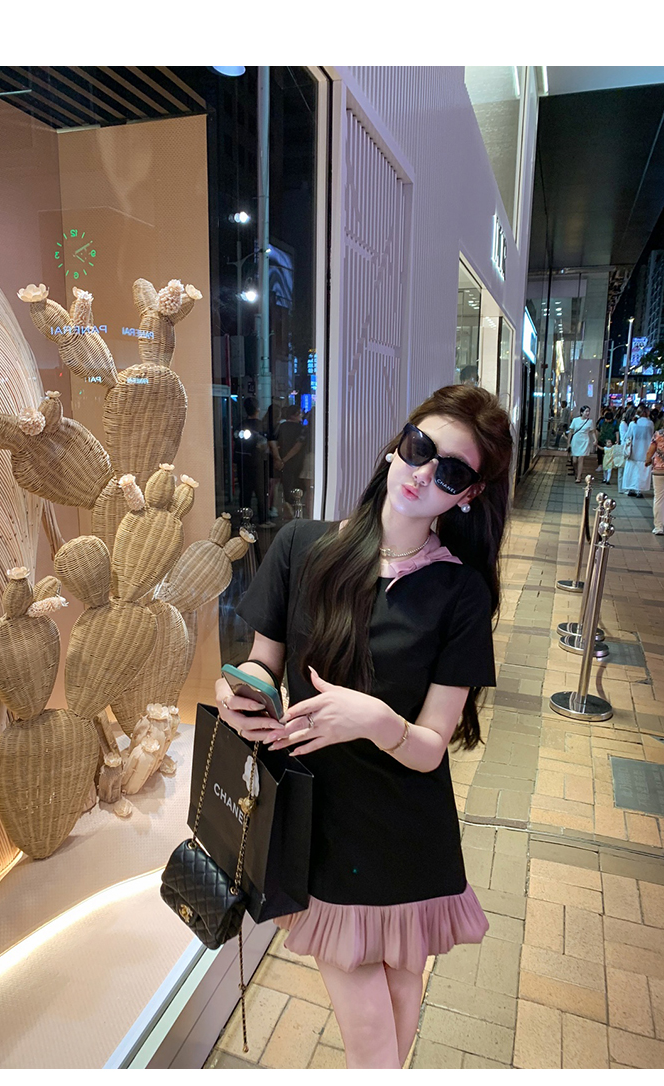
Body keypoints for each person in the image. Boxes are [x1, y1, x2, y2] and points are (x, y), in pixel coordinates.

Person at [216, 384, 513, 1069]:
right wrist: (241, 691)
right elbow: (262, 662)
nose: (423, 473)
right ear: (395, 446)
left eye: (451, 472)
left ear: (468, 496)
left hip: (409, 832)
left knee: (397, 1023)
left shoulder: (461, 593)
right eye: (419, 447)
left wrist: (376, 720)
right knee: (375, 1043)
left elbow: (431, 747)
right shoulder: (302, 547)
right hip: (323, 828)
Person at [234, 396, 269, 525]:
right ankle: (263, 519)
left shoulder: (240, 425)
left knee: (245, 492)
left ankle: (245, 519)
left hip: (243, 461)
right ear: (258, 409)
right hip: (258, 462)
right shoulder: (262, 425)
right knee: (261, 492)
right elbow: (264, 445)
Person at [276, 404, 308, 514]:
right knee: (298, 484)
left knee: (287, 484)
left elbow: (276, 443)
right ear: (296, 414)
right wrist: (285, 459)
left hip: (282, 460)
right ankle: (295, 507)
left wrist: (280, 459)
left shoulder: (281, 427)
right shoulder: (301, 429)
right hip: (297, 460)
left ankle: (288, 506)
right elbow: (298, 446)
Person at [622, 404, 655, 498]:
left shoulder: (633, 424)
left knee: (632, 471)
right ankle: (639, 490)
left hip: (633, 451)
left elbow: (627, 436)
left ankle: (631, 488)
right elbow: (652, 437)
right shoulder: (650, 423)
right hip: (645, 451)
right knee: (642, 472)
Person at [567, 405, 596, 483]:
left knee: (581, 458)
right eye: (586, 411)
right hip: (576, 441)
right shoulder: (575, 420)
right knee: (574, 461)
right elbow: (571, 431)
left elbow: (592, 431)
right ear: (581, 412)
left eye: (588, 411)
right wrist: (568, 443)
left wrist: (595, 440)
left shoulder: (590, 421)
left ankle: (579, 477)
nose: (588, 413)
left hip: (584, 441)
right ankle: (576, 471)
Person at [597, 409, 619, 484]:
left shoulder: (615, 423)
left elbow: (617, 432)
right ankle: (600, 465)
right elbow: (597, 430)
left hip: (611, 441)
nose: (608, 421)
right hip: (602, 439)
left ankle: (611, 466)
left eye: (609, 420)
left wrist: (617, 440)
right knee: (600, 452)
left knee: (610, 454)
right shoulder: (601, 421)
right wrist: (596, 439)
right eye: (607, 419)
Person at [617, 407, 635, 493]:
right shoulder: (623, 424)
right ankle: (621, 488)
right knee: (622, 468)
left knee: (628, 469)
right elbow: (624, 437)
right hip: (624, 447)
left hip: (630, 447)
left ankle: (627, 487)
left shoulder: (631, 424)